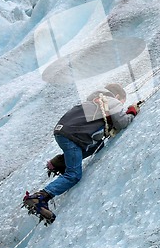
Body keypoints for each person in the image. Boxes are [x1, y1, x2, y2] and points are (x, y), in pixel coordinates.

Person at [23, 83, 139, 223]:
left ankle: (61, 162)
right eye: (122, 102)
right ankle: (40, 197)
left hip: (63, 133)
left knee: (99, 145)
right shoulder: (110, 100)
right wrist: (132, 111)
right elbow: (121, 122)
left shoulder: (90, 101)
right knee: (73, 175)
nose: (121, 106)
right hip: (74, 137)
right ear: (118, 96)